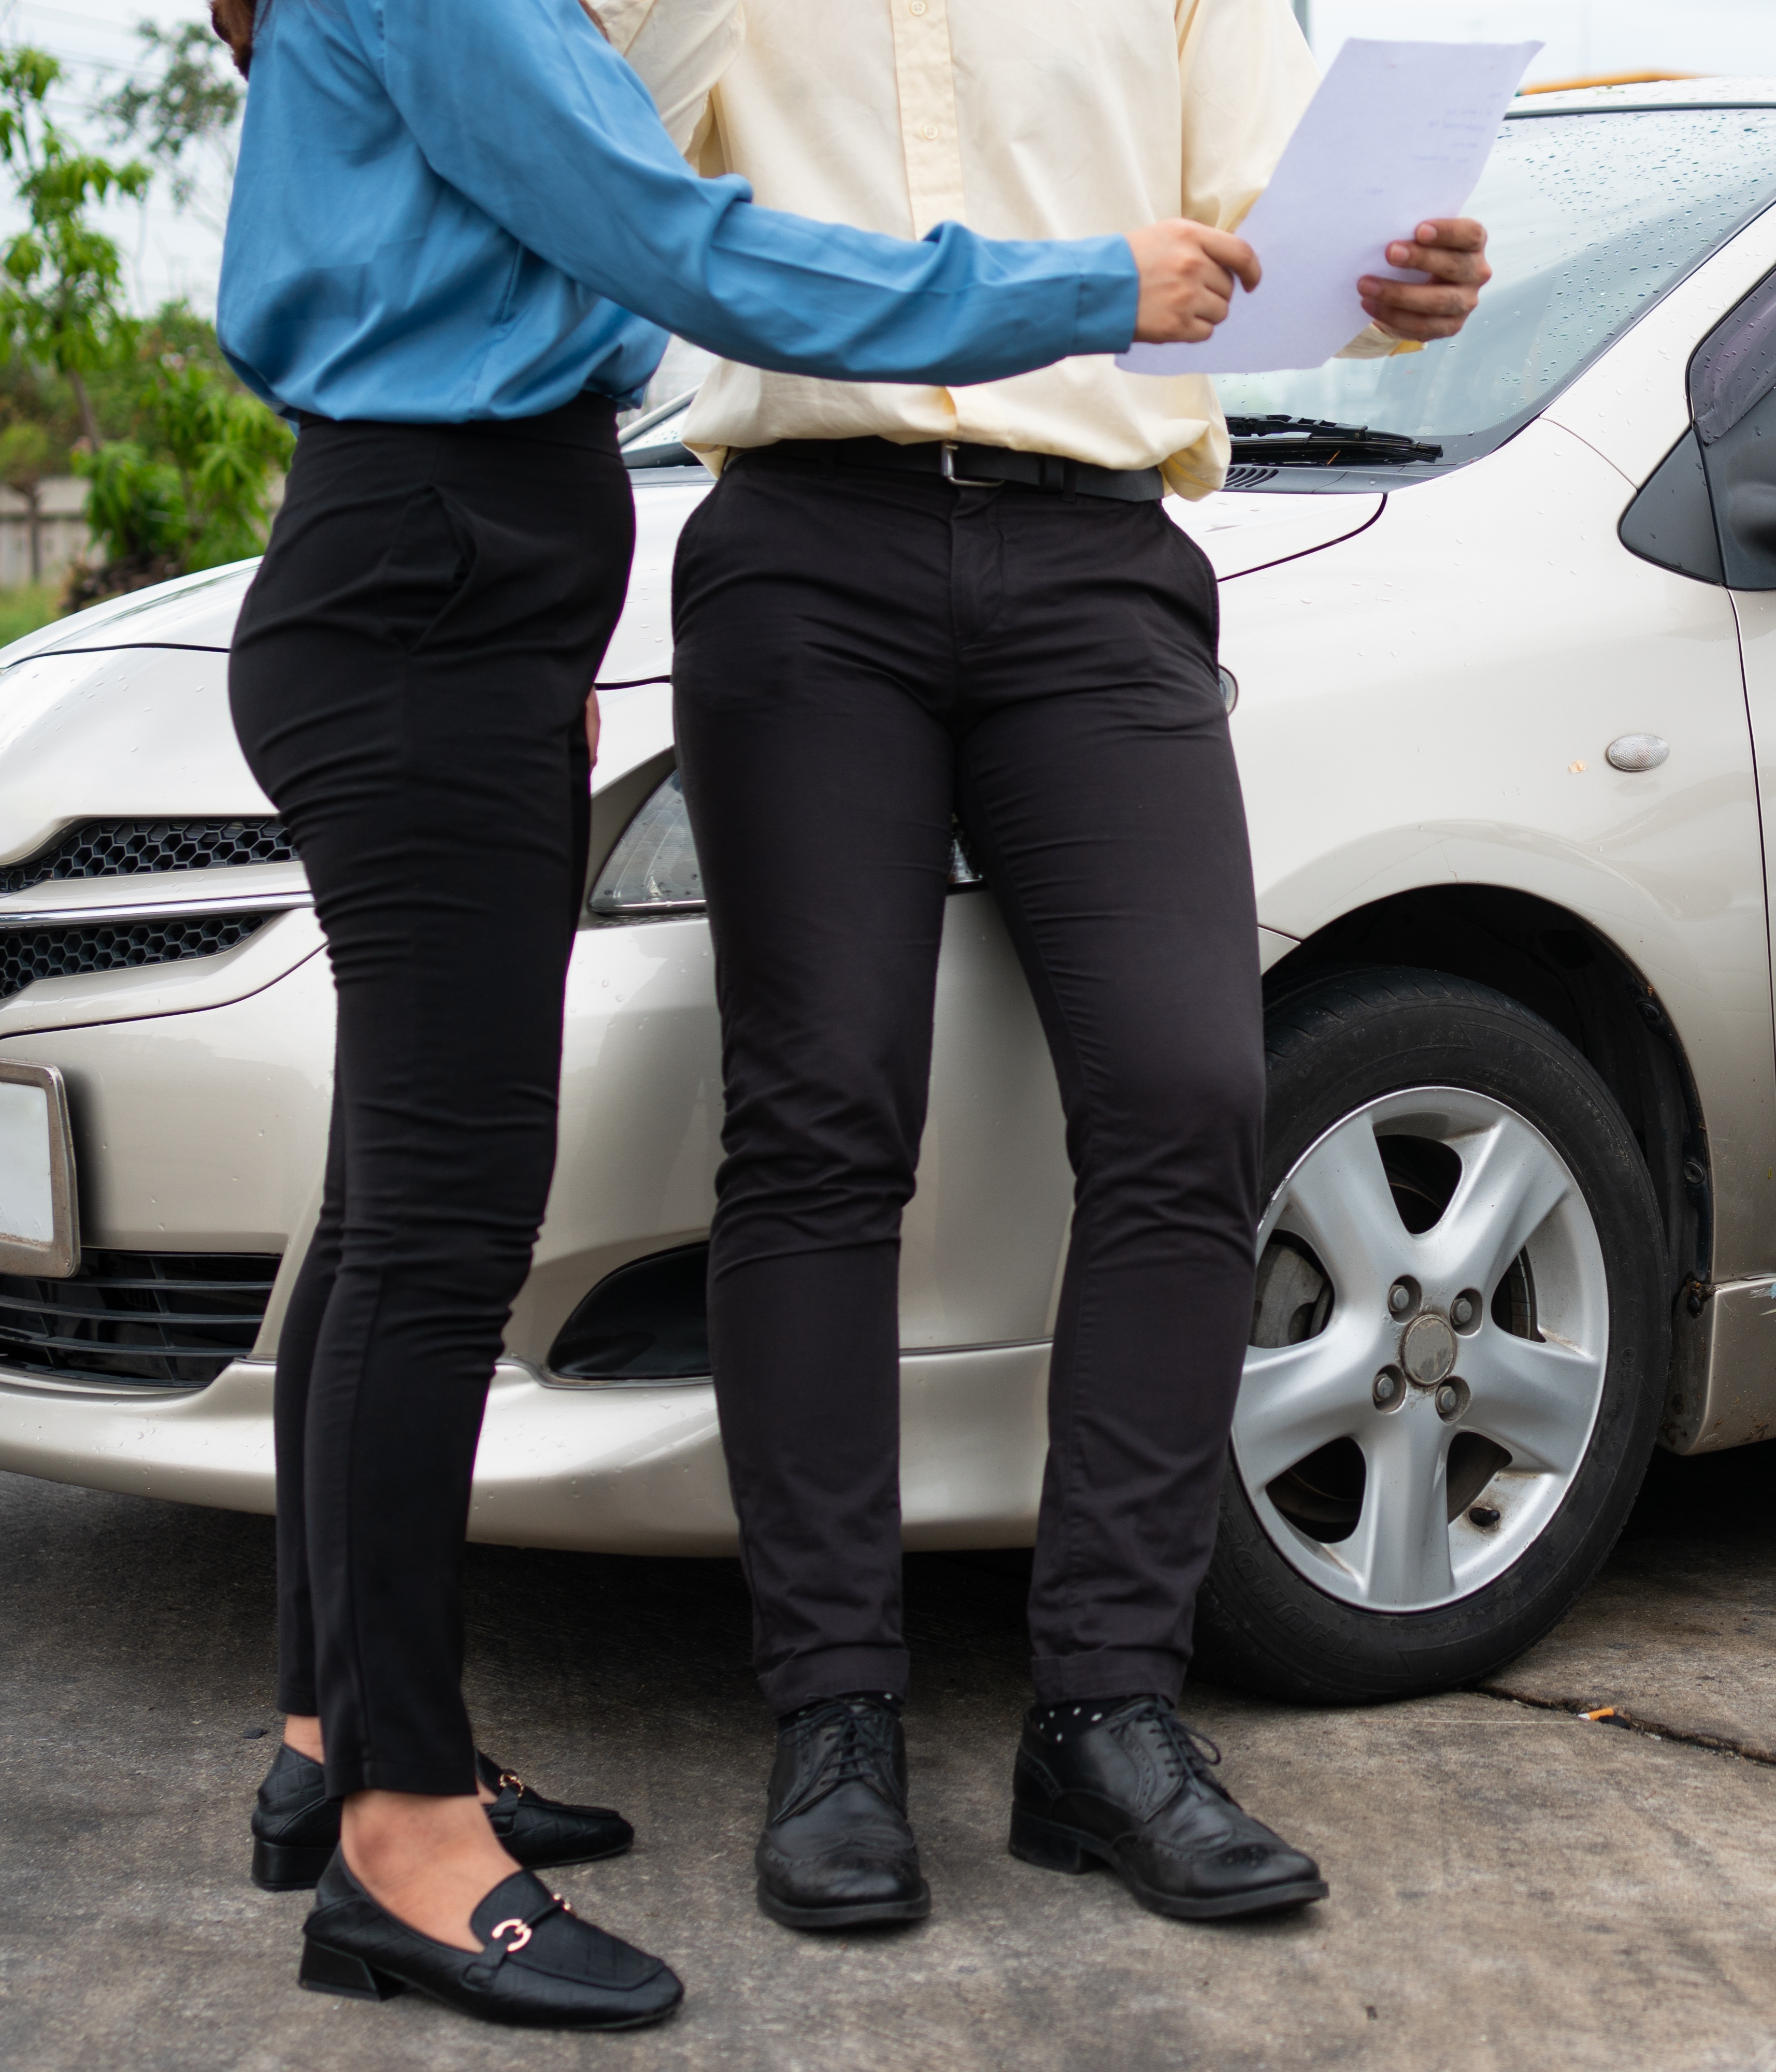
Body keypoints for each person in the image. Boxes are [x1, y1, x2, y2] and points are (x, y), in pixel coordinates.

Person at [207, 0, 1269, 2027]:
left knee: (385, 1211)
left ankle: (341, 1737)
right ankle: (406, 1841)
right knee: (439, 1234)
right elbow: (687, 250)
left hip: (458, 574)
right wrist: (1083, 286)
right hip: (433, 581)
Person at [591, 0, 1492, 1928]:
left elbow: (1257, 241)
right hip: (805, 544)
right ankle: (833, 1718)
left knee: (1190, 1090)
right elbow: (629, 186)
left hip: (1096, 561)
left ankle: (1106, 1714)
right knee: (823, 1112)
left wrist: (1388, 283)